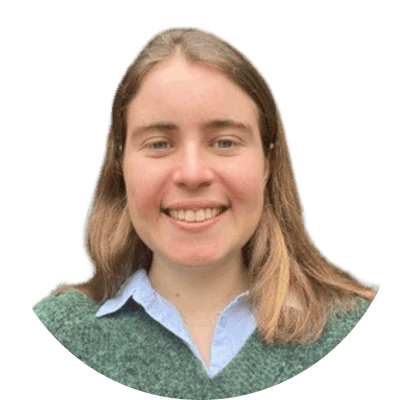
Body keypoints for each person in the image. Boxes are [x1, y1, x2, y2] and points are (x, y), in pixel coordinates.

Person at [32, 26, 380, 398]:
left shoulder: (363, 332)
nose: (193, 174)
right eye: (159, 144)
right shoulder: (55, 331)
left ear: (267, 162)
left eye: (225, 142)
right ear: (121, 164)